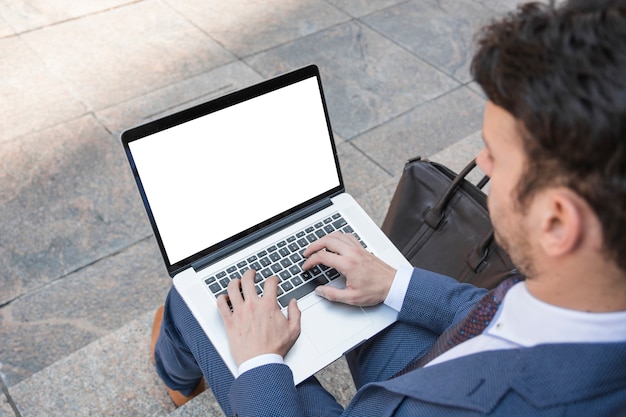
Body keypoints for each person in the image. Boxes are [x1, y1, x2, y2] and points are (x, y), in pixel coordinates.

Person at [151, 0, 626, 415]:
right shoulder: (592, 295)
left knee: (196, 304)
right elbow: (498, 309)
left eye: (494, 157)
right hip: (444, 361)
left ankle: (177, 377)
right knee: (338, 283)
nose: (480, 162)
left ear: (558, 222)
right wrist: (397, 284)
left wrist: (259, 365)